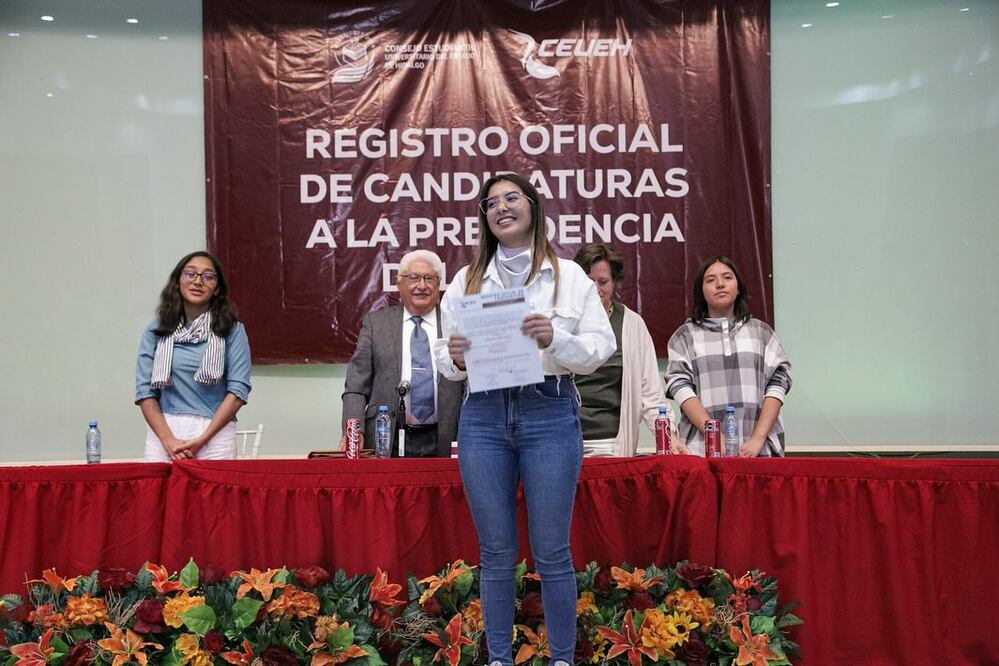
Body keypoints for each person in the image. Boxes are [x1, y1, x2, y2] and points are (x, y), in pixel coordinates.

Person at [435, 173, 615, 666]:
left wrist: (554, 338)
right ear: (484, 218)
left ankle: (561, 658)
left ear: (533, 207)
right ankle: (499, 657)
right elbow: (444, 355)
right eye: (491, 203)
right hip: (483, 415)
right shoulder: (466, 279)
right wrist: (456, 357)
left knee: (552, 549)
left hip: (548, 410)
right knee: (495, 551)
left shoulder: (570, 276)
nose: (501, 208)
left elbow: (600, 347)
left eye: (511, 198)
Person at [664, 256, 792, 456]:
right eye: (711, 280)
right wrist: (715, 438)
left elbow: (779, 384)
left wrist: (758, 438)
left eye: (727, 277)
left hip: (760, 450)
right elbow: (680, 387)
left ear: (738, 287)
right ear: (701, 292)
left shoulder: (762, 332)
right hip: (702, 451)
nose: (720, 284)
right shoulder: (685, 336)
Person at [340, 249, 461, 457]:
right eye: (413, 278)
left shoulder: (455, 322)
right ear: (399, 283)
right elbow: (356, 386)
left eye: (429, 278)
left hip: (448, 436)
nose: (422, 285)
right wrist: (354, 431)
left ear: (439, 284)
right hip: (386, 437)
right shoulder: (376, 323)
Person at [135, 251, 252, 461]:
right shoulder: (155, 330)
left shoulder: (232, 331)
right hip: (164, 431)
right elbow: (145, 391)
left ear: (217, 289)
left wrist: (203, 439)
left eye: (208, 277)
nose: (198, 281)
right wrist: (168, 440)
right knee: (158, 484)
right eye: (190, 274)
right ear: (178, 281)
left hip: (215, 433)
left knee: (213, 485)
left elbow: (238, 391)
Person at [572, 242, 672, 456]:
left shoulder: (632, 324)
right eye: (588, 281)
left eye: (603, 282)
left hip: (611, 444)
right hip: (563, 440)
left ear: (615, 282)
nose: (595, 289)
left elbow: (651, 394)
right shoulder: (563, 321)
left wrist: (671, 438)